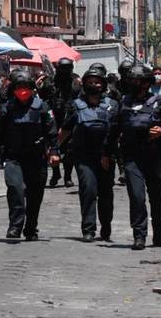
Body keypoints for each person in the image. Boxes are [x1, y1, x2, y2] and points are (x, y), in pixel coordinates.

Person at [106, 65, 161, 250]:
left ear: (145, 83)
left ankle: (158, 231)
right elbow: (114, 130)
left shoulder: (158, 102)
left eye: (136, 80)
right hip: (131, 156)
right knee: (136, 196)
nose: (132, 84)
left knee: (156, 195)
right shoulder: (124, 102)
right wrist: (106, 153)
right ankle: (139, 235)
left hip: (154, 157)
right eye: (131, 80)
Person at [0, 70, 59, 241]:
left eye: (26, 87)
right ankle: (15, 226)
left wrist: (54, 151)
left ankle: (31, 227)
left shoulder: (41, 106)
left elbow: (51, 131)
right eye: (19, 87)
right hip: (14, 157)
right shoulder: (6, 109)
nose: (23, 91)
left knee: (35, 195)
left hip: (36, 157)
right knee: (16, 189)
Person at [59, 68, 117, 242]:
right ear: (84, 84)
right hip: (84, 156)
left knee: (106, 194)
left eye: (97, 82)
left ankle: (106, 227)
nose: (94, 85)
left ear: (104, 84)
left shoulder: (112, 105)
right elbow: (66, 129)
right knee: (88, 190)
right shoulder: (76, 105)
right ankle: (88, 229)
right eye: (90, 82)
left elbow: (118, 130)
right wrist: (54, 149)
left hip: (106, 156)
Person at [47, 58, 81, 188]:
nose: (65, 71)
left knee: (69, 150)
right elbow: (43, 97)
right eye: (63, 69)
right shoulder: (50, 82)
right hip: (54, 117)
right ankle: (56, 173)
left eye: (68, 68)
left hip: (69, 117)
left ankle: (67, 176)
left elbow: (80, 98)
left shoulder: (75, 82)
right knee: (53, 146)